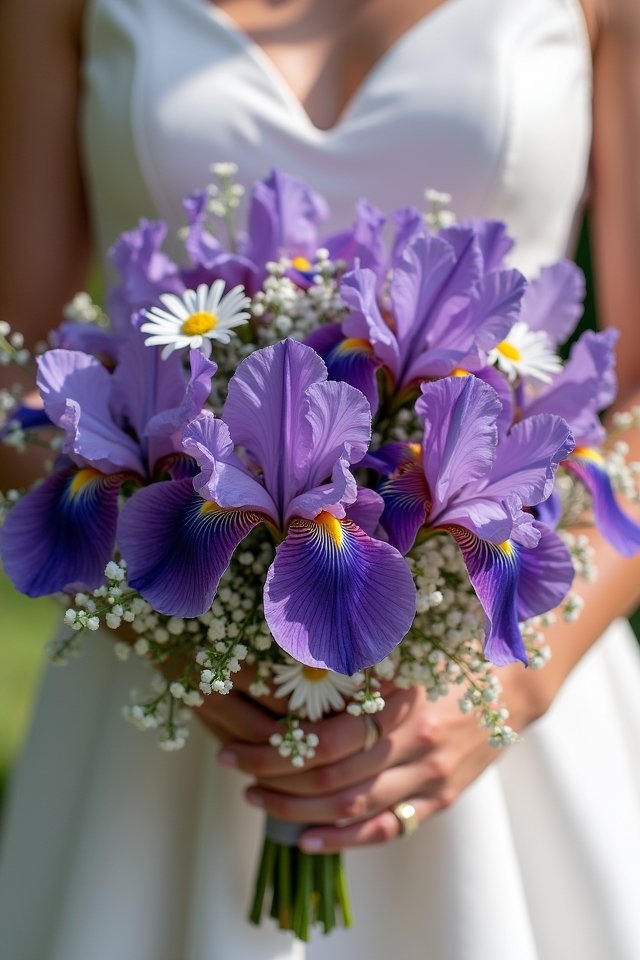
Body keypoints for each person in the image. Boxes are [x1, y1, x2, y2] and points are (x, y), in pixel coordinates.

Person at [1, 0, 640, 957]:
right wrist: (164, 625)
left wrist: (509, 687)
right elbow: (18, 372)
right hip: (166, 703)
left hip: (493, 686)